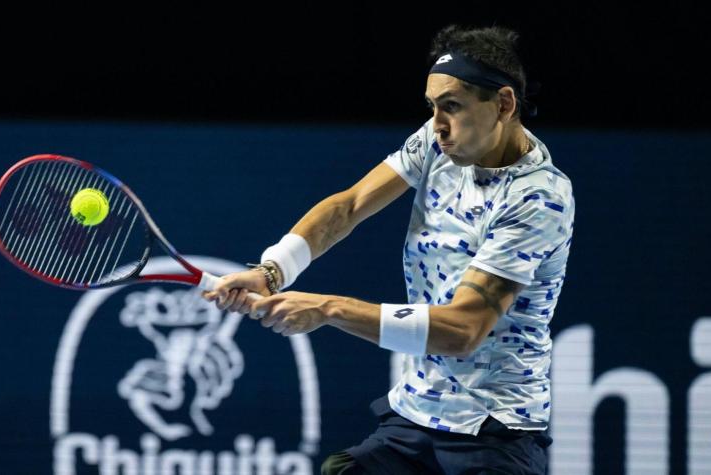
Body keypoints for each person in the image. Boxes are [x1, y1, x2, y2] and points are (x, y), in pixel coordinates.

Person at [202, 24, 574, 475]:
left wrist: (327, 309)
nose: (438, 123)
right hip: (417, 413)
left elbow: (463, 330)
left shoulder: (537, 197)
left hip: (493, 432)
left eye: (452, 107)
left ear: (504, 103)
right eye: (432, 107)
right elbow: (350, 205)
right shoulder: (437, 144)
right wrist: (272, 270)